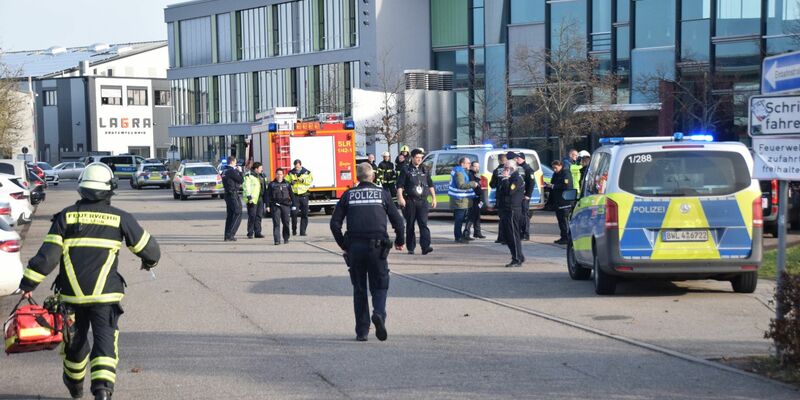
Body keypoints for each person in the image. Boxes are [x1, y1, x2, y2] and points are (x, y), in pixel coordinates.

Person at [17, 162, 160, 400]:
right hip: (106, 297)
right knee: (105, 344)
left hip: (71, 297)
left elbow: (48, 257)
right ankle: (103, 391)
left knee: (74, 343)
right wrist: (149, 263)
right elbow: (151, 251)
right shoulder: (120, 218)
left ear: (82, 188)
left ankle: (74, 385)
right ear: (110, 189)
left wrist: (28, 284)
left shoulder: (66, 217)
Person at [330, 163, 405, 342]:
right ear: (372, 177)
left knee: (359, 288)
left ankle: (362, 331)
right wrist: (400, 241)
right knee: (379, 286)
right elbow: (398, 221)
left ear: (357, 178)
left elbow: (334, 223)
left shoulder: (348, 195)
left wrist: (343, 244)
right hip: (378, 248)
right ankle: (378, 313)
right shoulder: (383, 194)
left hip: (355, 247)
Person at [396, 148, 436, 255]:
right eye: (417, 158)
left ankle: (425, 246)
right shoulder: (406, 169)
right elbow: (400, 185)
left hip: (423, 201)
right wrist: (400, 198)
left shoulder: (425, 169)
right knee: (410, 224)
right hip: (410, 201)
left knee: (423, 224)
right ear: (412, 158)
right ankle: (411, 247)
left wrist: (434, 198)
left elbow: (430, 184)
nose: (419, 160)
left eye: (421, 158)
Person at [498, 159, 526, 267]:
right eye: (504, 168)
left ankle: (517, 258)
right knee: (507, 235)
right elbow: (501, 191)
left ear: (512, 168)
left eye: (506, 168)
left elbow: (509, 191)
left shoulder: (516, 178)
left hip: (513, 209)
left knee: (513, 235)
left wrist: (505, 179)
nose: (504, 170)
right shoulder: (508, 178)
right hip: (506, 209)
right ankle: (518, 256)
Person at [449, 156, 478, 243]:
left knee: (461, 219)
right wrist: (473, 184)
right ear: (462, 164)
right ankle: (458, 237)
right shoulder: (459, 172)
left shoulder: (461, 171)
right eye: (468, 163)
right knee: (459, 219)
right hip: (459, 199)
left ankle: (461, 235)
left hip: (462, 199)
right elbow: (461, 185)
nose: (470, 164)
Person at [265, 168, 294, 245]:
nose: (279, 176)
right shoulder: (272, 184)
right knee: (276, 223)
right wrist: (267, 206)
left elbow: (292, 195)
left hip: (285, 205)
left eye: (281, 174)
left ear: (283, 175)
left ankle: (286, 238)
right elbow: (267, 196)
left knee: (286, 223)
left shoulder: (287, 184)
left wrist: (294, 205)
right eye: (278, 174)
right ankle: (277, 240)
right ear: (275, 174)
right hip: (275, 206)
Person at [549, 160, 574, 245]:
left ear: (560, 166)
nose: (554, 170)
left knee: (564, 220)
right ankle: (563, 237)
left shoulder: (566, 173)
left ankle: (567, 238)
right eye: (553, 168)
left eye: (555, 168)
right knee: (560, 220)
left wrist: (553, 186)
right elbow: (553, 183)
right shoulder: (556, 174)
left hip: (565, 201)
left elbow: (567, 186)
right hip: (558, 201)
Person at [286, 159, 313, 236]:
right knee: (294, 214)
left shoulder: (307, 172)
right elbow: (285, 181)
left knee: (304, 214)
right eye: (295, 167)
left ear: (300, 165)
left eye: (298, 167)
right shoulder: (291, 173)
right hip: (295, 196)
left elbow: (310, 181)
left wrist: (302, 180)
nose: (297, 168)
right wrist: (291, 182)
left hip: (304, 195)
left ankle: (303, 231)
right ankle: (294, 230)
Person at [514, 152, 535, 241]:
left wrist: (528, 195)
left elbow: (531, 183)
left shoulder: (528, 169)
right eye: (516, 158)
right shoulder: (519, 168)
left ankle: (526, 234)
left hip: (525, 196)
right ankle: (521, 232)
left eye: (518, 158)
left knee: (524, 215)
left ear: (523, 159)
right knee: (520, 215)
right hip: (520, 195)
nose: (516, 160)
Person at [222, 156, 244, 241]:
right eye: (235, 162)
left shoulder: (224, 170)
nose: (236, 163)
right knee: (238, 212)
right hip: (232, 194)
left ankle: (227, 235)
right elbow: (241, 180)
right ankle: (230, 234)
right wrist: (240, 171)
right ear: (232, 162)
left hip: (228, 194)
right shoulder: (231, 171)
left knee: (230, 215)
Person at [243, 162, 266, 239]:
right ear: (256, 169)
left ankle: (258, 232)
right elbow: (246, 186)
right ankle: (250, 233)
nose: (262, 169)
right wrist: (249, 197)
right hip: (252, 199)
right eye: (260, 168)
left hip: (260, 198)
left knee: (259, 216)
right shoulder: (249, 176)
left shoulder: (262, 175)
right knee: (252, 216)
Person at [489, 152, 509, 244]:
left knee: (502, 218)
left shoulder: (496, 170)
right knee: (508, 219)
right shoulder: (511, 169)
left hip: (500, 197)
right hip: (509, 196)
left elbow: (492, 184)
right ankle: (506, 238)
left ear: (499, 160)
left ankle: (501, 237)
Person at [463, 160, 485, 239]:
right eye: (475, 166)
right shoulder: (470, 175)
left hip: (478, 198)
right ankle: (466, 232)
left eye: (478, 166)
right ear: (471, 166)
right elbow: (472, 186)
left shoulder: (476, 175)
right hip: (472, 198)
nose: (477, 168)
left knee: (477, 215)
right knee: (471, 216)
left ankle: (477, 232)